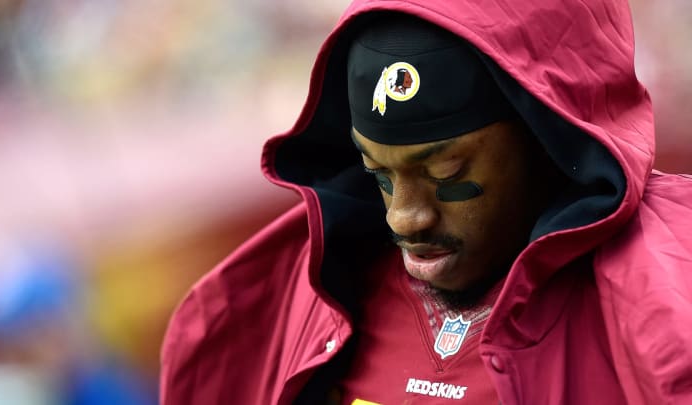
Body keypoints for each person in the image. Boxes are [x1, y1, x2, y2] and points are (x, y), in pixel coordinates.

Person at [160, 0, 692, 404]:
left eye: (446, 173)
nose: (405, 216)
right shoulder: (276, 304)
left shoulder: (671, 302)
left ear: (547, 137)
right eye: (379, 174)